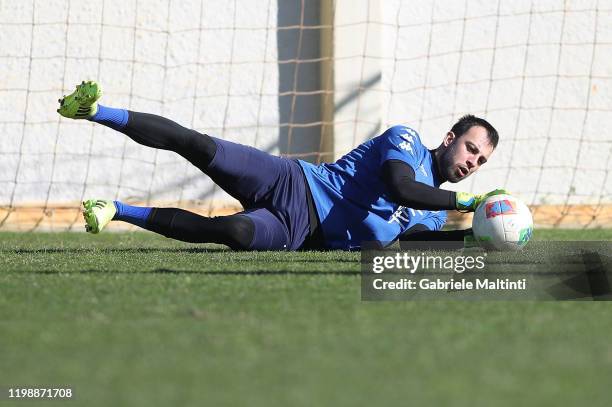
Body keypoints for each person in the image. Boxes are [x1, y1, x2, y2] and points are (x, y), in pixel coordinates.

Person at [57, 81, 504, 251]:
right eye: (470, 149)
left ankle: (118, 209)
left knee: (230, 232)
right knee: (198, 145)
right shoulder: (405, 141)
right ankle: (96, 111)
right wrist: (469, 201)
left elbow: (417, 244)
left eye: (480, 161)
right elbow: (399, 187)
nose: (472, 163)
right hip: (293, 180)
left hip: (301, 232)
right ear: (449, 139)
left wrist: (481, 232)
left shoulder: (435, 211)